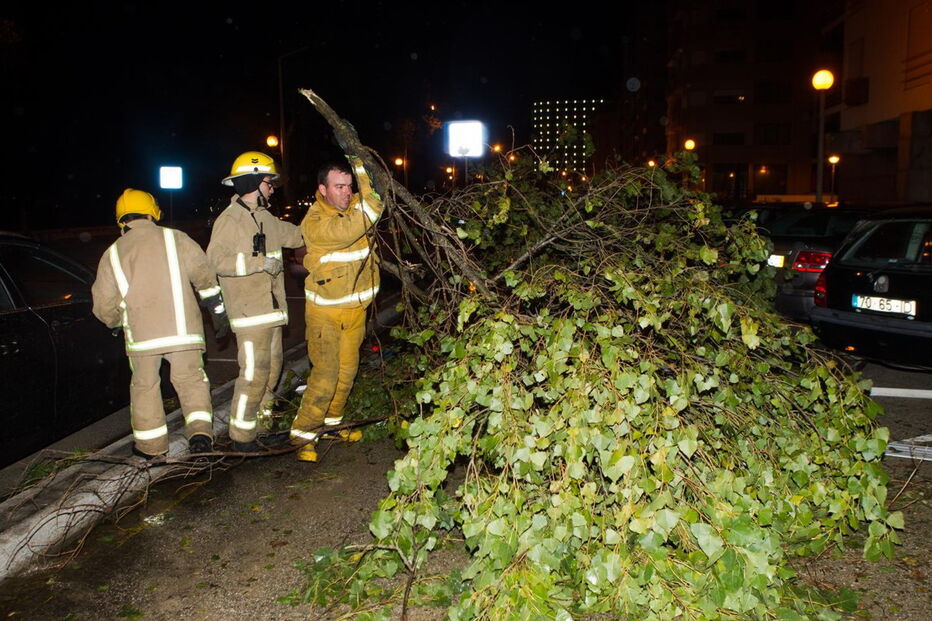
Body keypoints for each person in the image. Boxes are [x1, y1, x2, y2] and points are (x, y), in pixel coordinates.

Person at [92, 188, 228, 458]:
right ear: (153, 213)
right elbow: (204, 275)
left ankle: (151, 449)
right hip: (184, 332)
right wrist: (217, 310)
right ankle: (200, 435)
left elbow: (103, 306)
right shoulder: (175, 238)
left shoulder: (113, 253)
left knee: (145, 387)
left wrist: (118, 322)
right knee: (191, 381)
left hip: (142, 337)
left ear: (121, 220)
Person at [207, 151, 304, 452]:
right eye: (268, 183)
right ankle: (241, 436)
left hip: (272, 312)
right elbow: (214, 259)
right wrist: (255, 263)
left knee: (271, 373)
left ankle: (261, 428)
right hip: (249, 315)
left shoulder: (266, 218)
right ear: (252, 182)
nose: (272, 189)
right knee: (253, 375)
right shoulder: (230, 220)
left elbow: (298, 235)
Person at [291, 155, 382, 462]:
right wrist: (360, 169)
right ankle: (303, 435)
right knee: (325, 375)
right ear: (323, 189)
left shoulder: (356, 207)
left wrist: (361, 169)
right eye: (339, 186)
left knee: (347, 373)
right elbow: (355, 225)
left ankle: (332, 424)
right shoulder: (316, 222)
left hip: (355, 311)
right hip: (325, 315)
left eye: (349, 186)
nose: (346, 192)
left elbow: (368, 203)